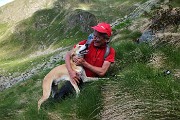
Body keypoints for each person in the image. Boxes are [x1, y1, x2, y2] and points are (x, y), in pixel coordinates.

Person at [52, 22, 115, 100]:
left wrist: (84, 63)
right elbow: (68, 55)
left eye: (98, 37)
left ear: (106, 39)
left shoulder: (109, 51)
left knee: (87, 99)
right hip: (78, 77)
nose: (94, 39)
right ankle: (48, 106)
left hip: (93, 80)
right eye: (94, 35)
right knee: (60, 96)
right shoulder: (86, 43)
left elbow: (102, 72)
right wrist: (71, 72)